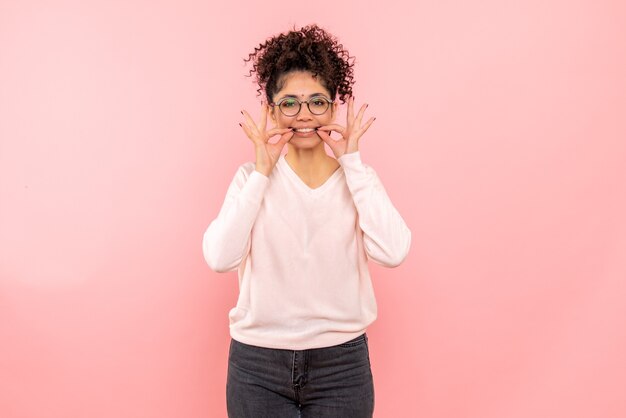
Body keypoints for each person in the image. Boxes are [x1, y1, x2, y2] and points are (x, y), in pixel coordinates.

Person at [202, 23, 411, 418]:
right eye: (289, 103)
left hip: (341, 366)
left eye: (317, 102)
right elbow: (219, 258)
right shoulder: (251, 179)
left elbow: (394, 251)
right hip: (257, 366)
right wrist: (262, 172)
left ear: (334, 105)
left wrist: (353, 162)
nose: (304, 115)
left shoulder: (357, 181)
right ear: (272, 109)